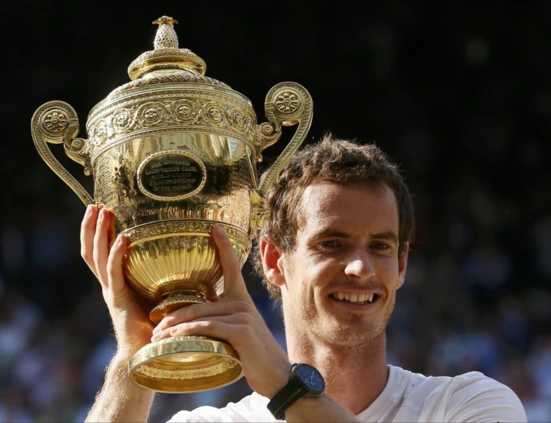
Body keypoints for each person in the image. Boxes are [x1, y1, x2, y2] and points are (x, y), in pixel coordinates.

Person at [82, 135, 527, 422]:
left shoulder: (469, 405)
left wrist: (285, 385)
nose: (361, 268)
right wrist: (132, 358)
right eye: (332, 244)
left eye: (380, 246)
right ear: (275, 259)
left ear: (403, 264)